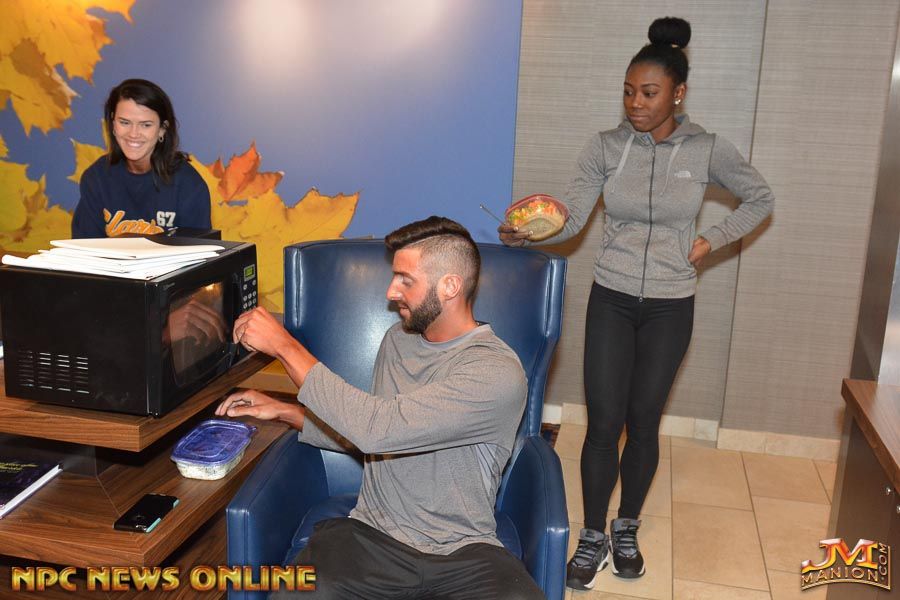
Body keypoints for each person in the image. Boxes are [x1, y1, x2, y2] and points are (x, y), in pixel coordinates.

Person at [499, 17, 775, 591]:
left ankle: (627, 527)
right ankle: (592, 535)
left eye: (649, 93)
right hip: (612, 297)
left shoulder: (705, 149)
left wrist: (710, 241)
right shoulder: (605, 147)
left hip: (672, 304)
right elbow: (572, 216)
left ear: (678, 94)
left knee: (644, 422)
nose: (635, 104)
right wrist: (531, 233)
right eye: (628, 92)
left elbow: (759, 197)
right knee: (603, 424)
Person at [216, 216, 544, 600]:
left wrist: (284, 346)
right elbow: (378, 438)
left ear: (450, 286)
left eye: (406, 280)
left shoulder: (496, 372)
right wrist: (286, 411)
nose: (391, 292)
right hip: (371, 537)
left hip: (465, 551)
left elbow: (378, 429)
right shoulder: (397, 341)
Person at [71, 78, 211, 238]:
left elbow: (199, 251)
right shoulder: (97, 177)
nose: (133, 134)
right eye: (125, 122)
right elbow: (85, 247)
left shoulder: (188, 184)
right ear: (113, 124)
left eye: (146, 125)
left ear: (162, 129)